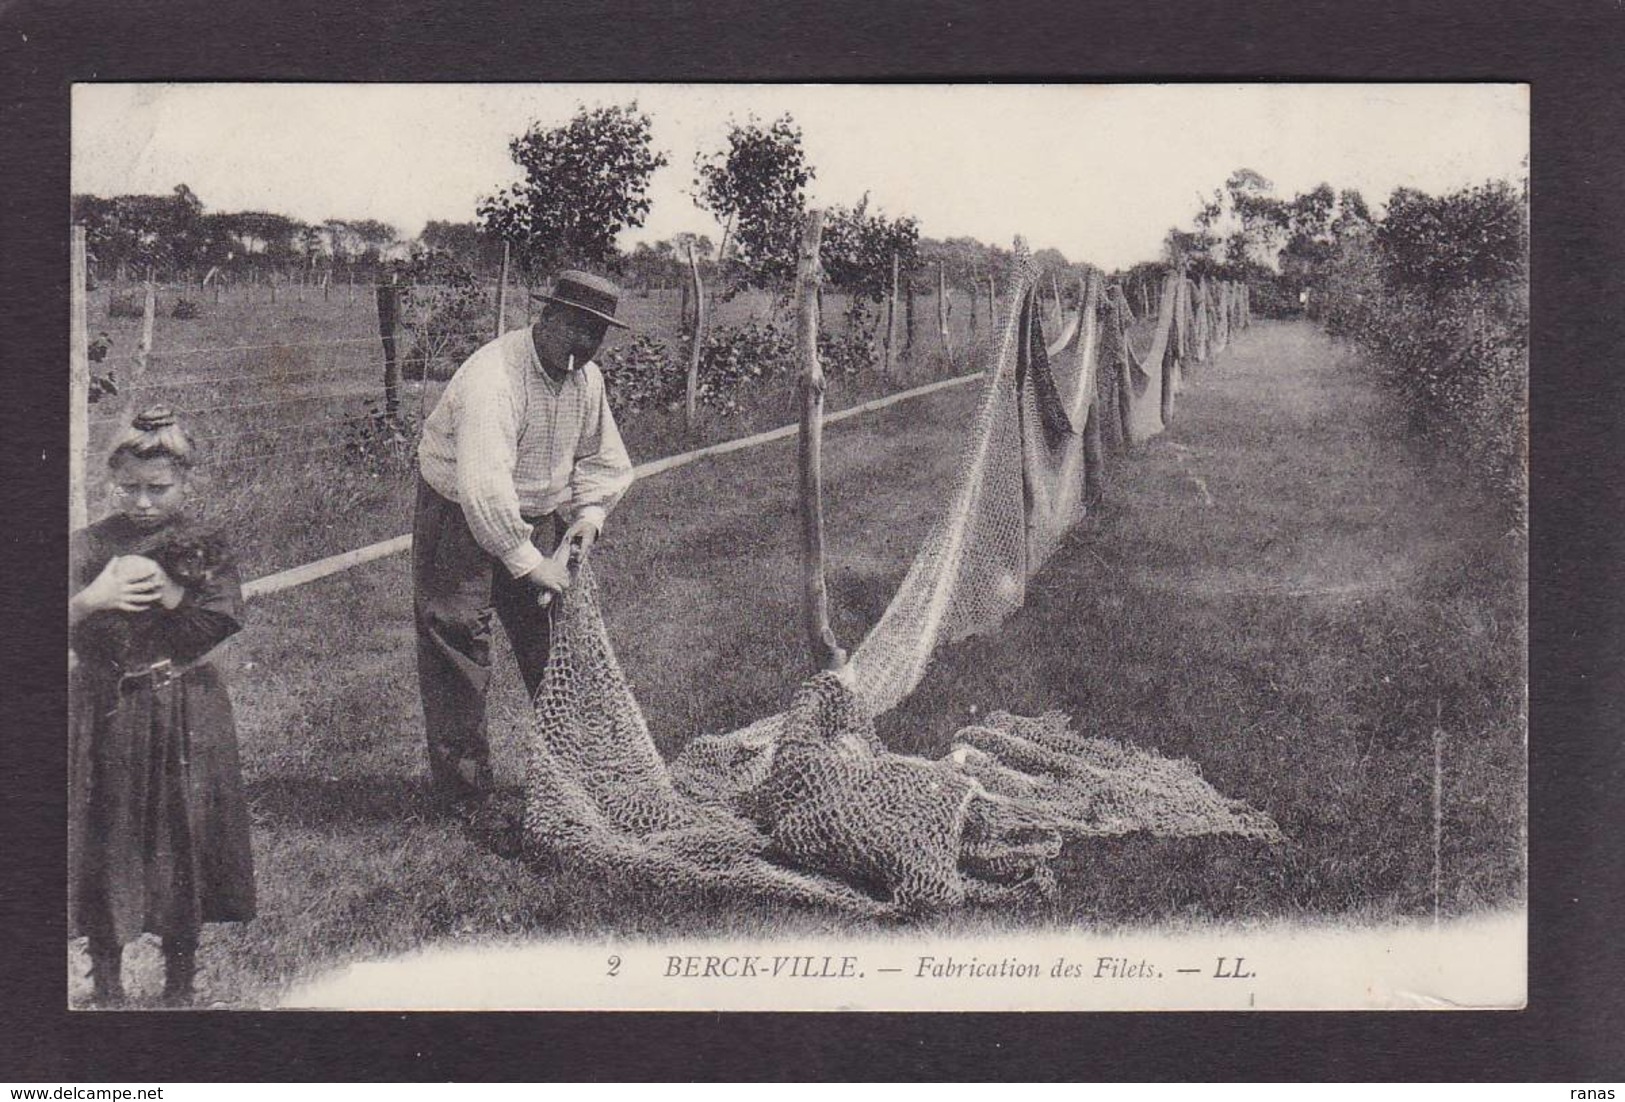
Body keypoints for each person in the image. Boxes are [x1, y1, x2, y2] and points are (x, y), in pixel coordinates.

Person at [413, 270, 634, 816]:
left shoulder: (587, 380)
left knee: (557, 644)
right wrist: (528, 563)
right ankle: (466, 798)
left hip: (533, 513)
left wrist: (586, 520)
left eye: (596, 334)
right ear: (547, 317)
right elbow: (483, 487)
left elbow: (605, 462)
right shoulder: (496, 377)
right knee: (458, 638)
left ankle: (576, 776)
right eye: (576, 328)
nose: (584, 345)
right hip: (459, 512)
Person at [68, 406, 254, 1006]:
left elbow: (222, 618)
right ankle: (109, 981)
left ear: (186, 483)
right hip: (107, 712)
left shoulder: (202, 544)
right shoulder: (91, 545)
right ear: (112, 482)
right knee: (107, 831)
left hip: (183, 711)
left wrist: (172, 592)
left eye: (158, 489)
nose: (143, 502)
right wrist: (90, 600)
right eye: (130, 489)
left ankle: (180, 978)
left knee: (184, 834)